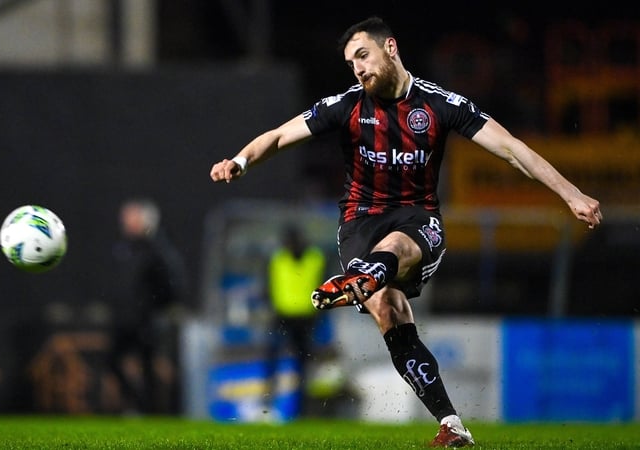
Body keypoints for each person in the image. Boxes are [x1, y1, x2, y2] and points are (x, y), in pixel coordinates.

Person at [210, 16, 602, 447]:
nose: (358, 69)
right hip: (359, 222)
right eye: (351, 63)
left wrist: (571, 194)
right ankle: (451, 423)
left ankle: (365, 277)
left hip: (418, 220)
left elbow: (512, 149)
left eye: (363, 56)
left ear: (390, 48)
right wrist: (240, 161)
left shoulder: (440, 104)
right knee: (391, 313)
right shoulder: (346, 105)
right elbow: (279, 136)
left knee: (395, 246)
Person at [106, 198, 186, 415]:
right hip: (124, 319)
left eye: (130, 217)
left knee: (148, 366)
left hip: (145, 320)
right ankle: (138, 404)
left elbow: (170, 284)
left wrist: (156, 308)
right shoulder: (123, 248)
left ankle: (151, 412)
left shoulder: (157, 249)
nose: (124, 221)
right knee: (112, 361)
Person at [264, 224, 326, 418]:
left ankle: (301, 409)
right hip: (282, 317)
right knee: (272, 360)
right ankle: (267, 404)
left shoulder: (315, 258)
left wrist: (319, 314)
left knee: (302, 365)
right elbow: (268, 285)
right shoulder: (278, 259)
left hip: (306, 319)